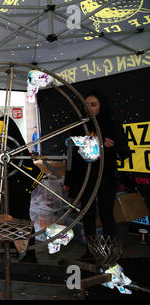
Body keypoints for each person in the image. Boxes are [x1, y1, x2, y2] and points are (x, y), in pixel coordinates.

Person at [0, 89, 43, 263]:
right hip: (11, 178)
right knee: (10, 214)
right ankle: (11, 248)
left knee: (21, 216)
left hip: (19, 177)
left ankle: (30, 254)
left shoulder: (1, 124)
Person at [64, 91, 130, 262]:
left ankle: (108, 249)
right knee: (88, 214)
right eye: (86, 104)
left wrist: (112, 146)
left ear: (102, 105)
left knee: (107, 213)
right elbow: (71, 155)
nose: (89, 108)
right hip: (84, 178)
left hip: (105, 177)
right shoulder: (79, 126)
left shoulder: (111, 125)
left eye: (93, 104)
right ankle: (91, 250)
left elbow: (125, 152)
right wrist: (68, 181)